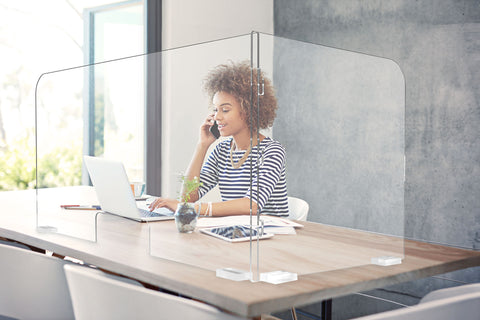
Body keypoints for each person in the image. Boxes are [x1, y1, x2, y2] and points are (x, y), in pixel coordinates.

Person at [149, 61, 288, 217]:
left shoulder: (272, 152)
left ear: (249, 110)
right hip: (234, 233)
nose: (217, 116)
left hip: (269, 235)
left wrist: (190, 208)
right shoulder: (221, 151)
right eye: (215, 109)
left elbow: (251, 205)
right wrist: (202, 146)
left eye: (225, 110)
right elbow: (188, 198)